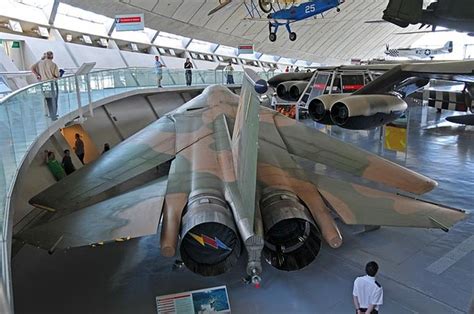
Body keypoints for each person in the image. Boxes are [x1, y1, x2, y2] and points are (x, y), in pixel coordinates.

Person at [31, 51, 60, 120]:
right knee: (54, 99)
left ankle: (49, 114)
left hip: (43, 83)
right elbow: (57, 75)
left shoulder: (40, 63)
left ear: (46, 56)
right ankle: (54, 115)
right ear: (52, 57)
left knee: (48, 99)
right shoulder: (53, 64)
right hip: (52, 83)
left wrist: (37, 75)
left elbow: (32, 68)